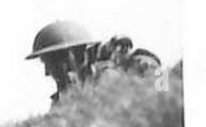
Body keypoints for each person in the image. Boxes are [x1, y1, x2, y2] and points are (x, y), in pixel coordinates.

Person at [25, 20, 162, 105]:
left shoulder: (108, 77)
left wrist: (164, 91)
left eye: (50, 64)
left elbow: (164, 83)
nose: (47, 73)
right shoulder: (65, 97)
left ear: (70, 56)